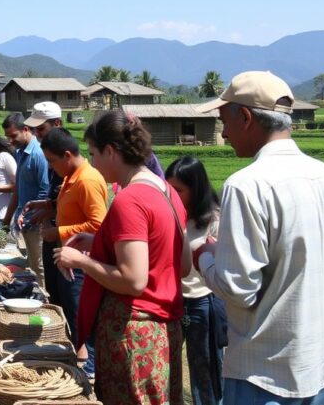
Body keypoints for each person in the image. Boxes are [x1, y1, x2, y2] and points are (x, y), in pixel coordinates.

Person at [193, 71, 324, 404]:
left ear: (245, 117)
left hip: (264, 375)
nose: (223, 134)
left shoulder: (247, 186)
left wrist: (204, 256)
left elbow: (238, 289)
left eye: (222, 120)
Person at [54, 110, 190, 404]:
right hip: (165, 330)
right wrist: (100, 241)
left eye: (94, 154)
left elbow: (134, 280)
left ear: (111, 151)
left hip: (134, 331)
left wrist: (81, 261)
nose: (92, 163)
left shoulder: (130, 200)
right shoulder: (166, 191)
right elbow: (184, 264)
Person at [39, 128, 108, 357]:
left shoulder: (87, 180)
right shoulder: (71, 177)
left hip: (81, 263)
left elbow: (98, 225)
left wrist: (58, 231)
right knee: (70, 312)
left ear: (67, 155)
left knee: (80, 316)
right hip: (69, 258)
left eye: (52, 161)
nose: (50, 167)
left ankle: (88, 366)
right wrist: (46, 207)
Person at [165, 155, 227, 405]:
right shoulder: (168, 212)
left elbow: (222, 262)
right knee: (170, 366)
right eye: (169, 188)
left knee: (206, 369)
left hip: (203, 302)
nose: (172, 194)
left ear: (196, 188)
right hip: (173, 300)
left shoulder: (213, 219)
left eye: (178, 189)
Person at [23, 102, 66, 305]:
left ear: (57, 123)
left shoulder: (65, 158)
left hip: (66, 243)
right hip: (52, 234)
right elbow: (56, 198)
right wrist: (44, 206)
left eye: (41, 129)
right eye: (35, 130)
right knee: (53, 291)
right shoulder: (51, 154)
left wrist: (50, 214)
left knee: (65, 297)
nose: (37, 134)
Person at [3, 113, 50, 286]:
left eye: (13, 136)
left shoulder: (38, 155)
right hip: (26, 221)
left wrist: (29, 215)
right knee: (31, 264)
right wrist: (9, 218)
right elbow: (19, 188)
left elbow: (45, 191)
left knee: (38, 266)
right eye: (8, 136)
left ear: (25, 129)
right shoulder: (20, 153)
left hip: (36, 222)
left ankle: (44, 301)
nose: (10, 140)